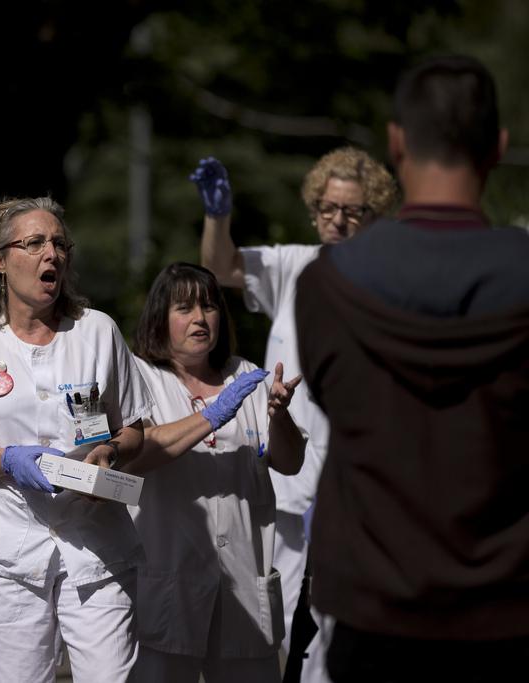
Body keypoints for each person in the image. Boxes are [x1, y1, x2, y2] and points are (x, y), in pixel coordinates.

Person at [295, 55, 529, 682]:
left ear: (396, 143)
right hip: (505, 618)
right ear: (498, 148)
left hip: (373, 617)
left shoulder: (325, 286)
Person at [0, 196, 152, 682]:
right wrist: (6, 460)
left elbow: (135, 429)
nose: (51, 254)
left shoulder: (97, 333)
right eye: (33, 243)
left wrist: (110, 450)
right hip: (5, 555)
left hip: (96, 546)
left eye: (58, 243)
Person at [196, 146, 398, 681]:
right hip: (288, 476)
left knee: (337, 631)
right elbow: (221, 267)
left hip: (357, 484)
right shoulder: (293, 266)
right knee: (273, 625)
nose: (337, 220)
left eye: (353, 211)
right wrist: (218, 215)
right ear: (314, 208)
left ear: (374, 215)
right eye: (328, 208)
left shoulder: (393, 284)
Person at [124, 262, 305, 682]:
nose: (200, 318)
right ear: (159, 318)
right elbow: (135, 454)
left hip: (243, 583)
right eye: (184, 308)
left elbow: (290, 462)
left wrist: (278, 416)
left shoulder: (246, 376)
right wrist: (214, 416)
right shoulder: (141, 378)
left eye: (208, 306)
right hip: (168, 584)